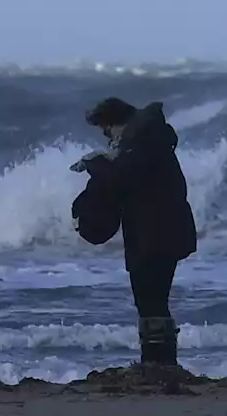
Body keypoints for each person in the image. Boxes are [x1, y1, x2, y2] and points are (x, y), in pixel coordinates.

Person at [73, 99, 198, 368]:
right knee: (152, 300)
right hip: (156, 231)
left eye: (107, 131)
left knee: (150, 299)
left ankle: (159, 363)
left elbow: (124, 178)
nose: (109, 139)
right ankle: (158, 361)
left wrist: (96, 164)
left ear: (115, 122)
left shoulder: (145, 140)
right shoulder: (146, 139)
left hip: (156, 233)